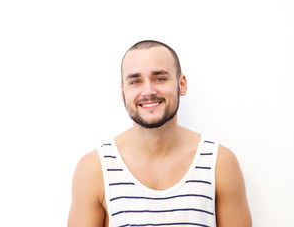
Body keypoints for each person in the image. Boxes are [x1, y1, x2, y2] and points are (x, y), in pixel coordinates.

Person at [68, 40, 252, 227]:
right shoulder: (94, 169)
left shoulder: (220, 163)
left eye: (160, 78)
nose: (148, 91)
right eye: (135, 81)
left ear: (182, 85)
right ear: (123, 92)